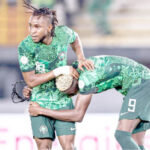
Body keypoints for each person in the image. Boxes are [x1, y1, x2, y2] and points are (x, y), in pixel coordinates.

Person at [26, 55, 150, 150]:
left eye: (72, 92)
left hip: (141, 84)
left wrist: (40, 110)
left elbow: (78, 115)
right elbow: (56, 79)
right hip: (142, 83)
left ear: (76, 83)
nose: (72, 95)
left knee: (122, 134)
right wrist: (34, 90)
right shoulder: (74, 69)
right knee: (136, 140)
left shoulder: (84, 81)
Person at [18, 1, 94, 150]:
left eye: (37, 27)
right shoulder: (25, 46)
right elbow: (31, 81)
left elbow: (75, 38)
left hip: (62, 101)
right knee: (44, 146)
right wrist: (60, 71)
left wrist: (81, 58)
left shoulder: (63, 33)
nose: (32, 31)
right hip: (39, 103)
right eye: (30, 25)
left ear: (49, 28)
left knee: (69, 147)